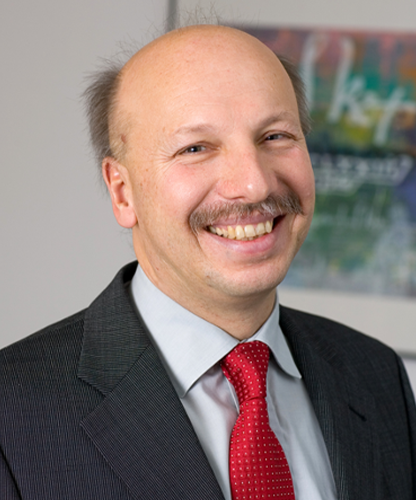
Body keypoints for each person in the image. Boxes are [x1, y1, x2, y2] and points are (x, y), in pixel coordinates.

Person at [0, 24, 415, 500]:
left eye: (275, 136)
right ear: (122, 190)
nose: (254, 185)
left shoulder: (376, 376)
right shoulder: (12, 414)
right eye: (195, 148)